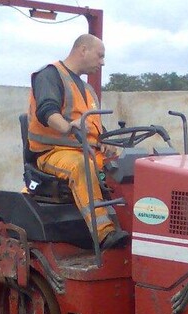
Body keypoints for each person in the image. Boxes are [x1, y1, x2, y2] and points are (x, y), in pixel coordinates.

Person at [27, 34, 129, 249]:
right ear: (83, 50)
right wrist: (65, 126)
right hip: (54, 152)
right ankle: (104, 234)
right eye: (100, 56)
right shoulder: (50, 75)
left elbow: (92, 125)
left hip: (87, 149)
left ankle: (138, 230)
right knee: (82, 166)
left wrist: (105, 140)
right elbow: (46, 110)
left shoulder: (87, 89)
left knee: (129, 166)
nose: (103, 62)